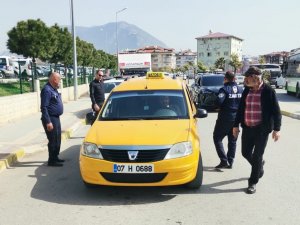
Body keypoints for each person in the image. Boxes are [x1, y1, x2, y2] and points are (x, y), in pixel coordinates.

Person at [232, 66, 282, 194]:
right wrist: (235, 125)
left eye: (250, 79)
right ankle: (259, 166)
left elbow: (276, 112)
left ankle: (253, 182)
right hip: (248, 127)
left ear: (257, 78)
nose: (248, 82)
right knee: (245, 152)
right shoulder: (246, 91)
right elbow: (240, 109)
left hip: (262, 129)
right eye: (247, 80)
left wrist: (277, 129)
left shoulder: (268, 91)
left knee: (257, 155)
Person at [213, 71, 243, 169]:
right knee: (232, 141)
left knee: (217, 138)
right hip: (237, 119)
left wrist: (217, 106)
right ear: (234, 79)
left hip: (225, 118)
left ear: (225, 79)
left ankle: (224, 160)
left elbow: (218, 101)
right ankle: (230, 162)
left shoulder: (224, 89)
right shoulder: (241, 89)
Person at [40, 72, 64, 167]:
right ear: (54, 79)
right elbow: (44, 107)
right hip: (50, 118)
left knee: (58, 139)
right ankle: (51, 160)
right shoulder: (47, 90)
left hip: (56, 117)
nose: (60, 81)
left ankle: (56, 157)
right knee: (53, 139)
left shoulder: (53, 89)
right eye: (59, 79)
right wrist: (48, 122)